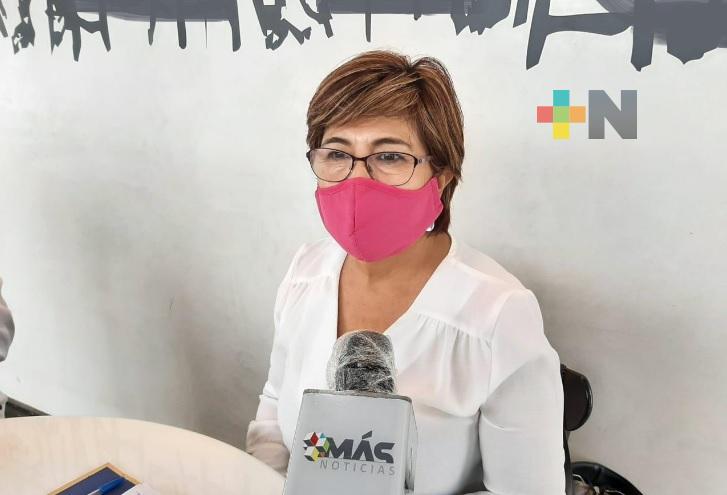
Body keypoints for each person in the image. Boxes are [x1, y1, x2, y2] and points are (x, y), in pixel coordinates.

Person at [246, 50, 565, 494]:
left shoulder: (497, 314)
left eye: (390, 156)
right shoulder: (305, 273)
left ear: (442, 176)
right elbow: (274, 413)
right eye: (337, 152)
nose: (357, 180)